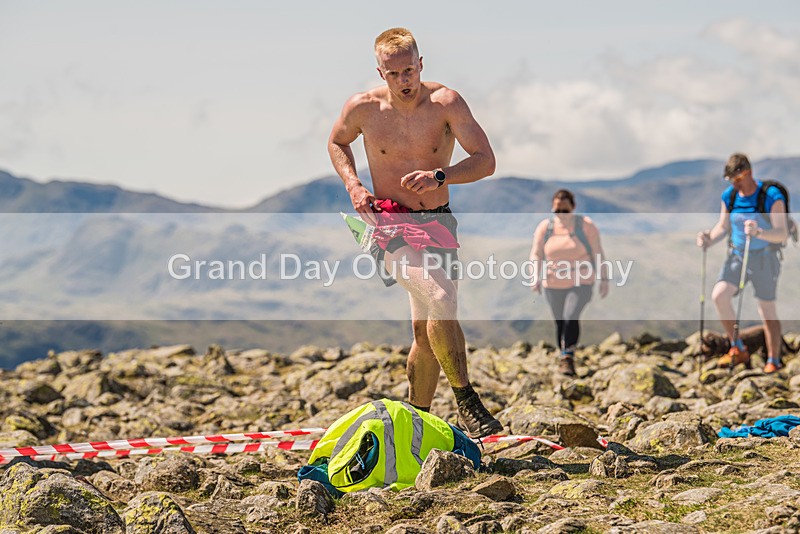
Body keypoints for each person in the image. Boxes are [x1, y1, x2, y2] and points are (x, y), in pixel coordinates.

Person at [328, 28, 502, 438]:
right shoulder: (363, 108)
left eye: (410, 70)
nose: (404, 80)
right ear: (380, 72)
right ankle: (467, 401)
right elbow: (337, 143)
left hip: (438, 222)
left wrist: (442, 174)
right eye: (394, 74)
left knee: (427, 333)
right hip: (389, 223)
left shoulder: (446, 102)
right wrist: (354, 185)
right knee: (440, 298)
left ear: (421, 64)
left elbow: (486, 160)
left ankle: (415, 423)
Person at [696, 153, 788, 373]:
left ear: (748, 173)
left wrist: (760, 232)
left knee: (766, 310)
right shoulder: (730, 196)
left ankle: (773, 361)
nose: (735, 184)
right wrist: (708, 238)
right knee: (720, 295)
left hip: (765, 258)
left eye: (737, 179)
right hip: (737, 256)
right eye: (731, 180)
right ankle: (737, 347)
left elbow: (782, 233)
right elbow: (723, 227)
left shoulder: (771, 196)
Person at [529, 190, 609, 376]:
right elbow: (536, 253)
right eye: (557, 210)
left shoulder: (586, 226)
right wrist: (535, 276)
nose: (561, 215)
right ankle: (563, 354)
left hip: (582, 281)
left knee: (570, 316)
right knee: (560, 321)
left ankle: (567, 357)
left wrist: (604, 279)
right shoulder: (546, 228)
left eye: (565, 210)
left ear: (573, 208)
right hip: (552, 283)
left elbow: (598, 253)